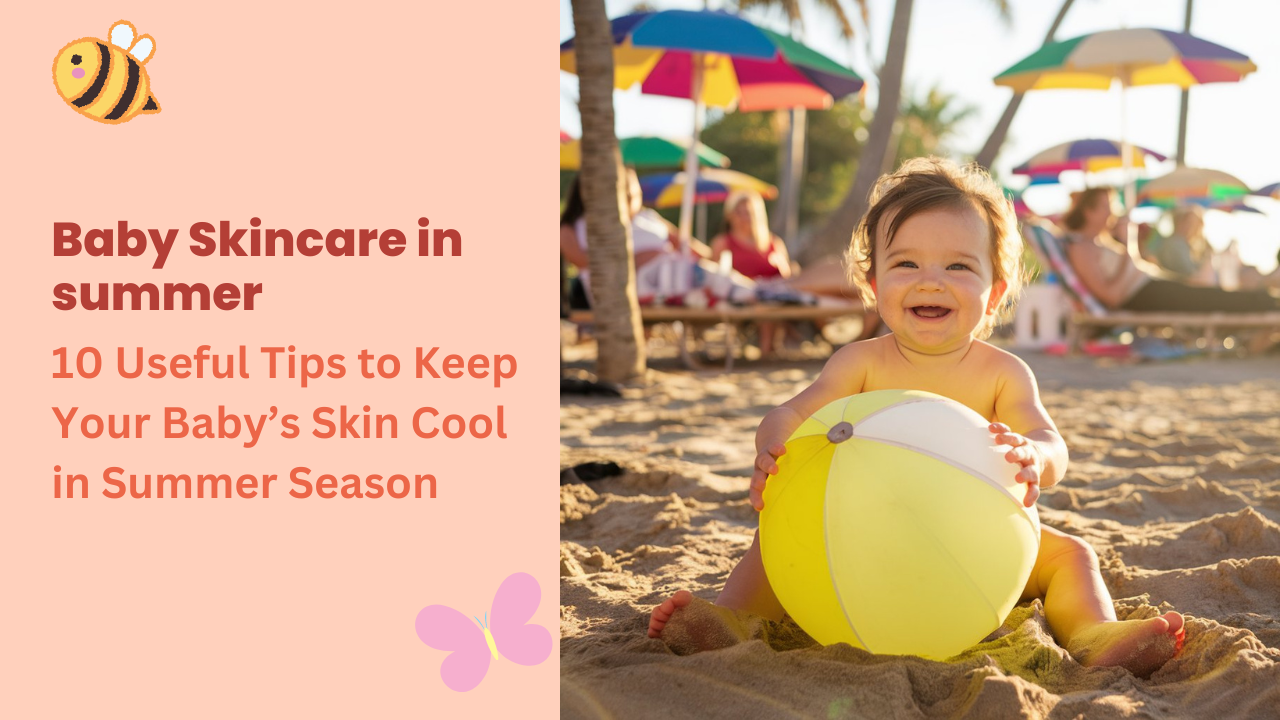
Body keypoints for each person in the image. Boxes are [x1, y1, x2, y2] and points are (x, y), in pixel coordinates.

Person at [647, 157, 1186, 677]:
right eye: (906, 263)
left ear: (995, 291)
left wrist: (1034, 456)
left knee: (1071, 555)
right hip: (858, 530)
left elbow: (1051, 441)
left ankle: (1095, 635)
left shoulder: (1003, 373)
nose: (931, 280)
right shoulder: (859, 362)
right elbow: (789, 413)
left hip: (978, 542)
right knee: (771, 544)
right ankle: (732, 621)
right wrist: (773, 449)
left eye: (958, 265)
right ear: (874, 283)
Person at [1060, 188, 1280, 314]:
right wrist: (1130, 246)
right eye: (1107, 206)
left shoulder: (1103, 241)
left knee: (1211, 296)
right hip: (1140, 295)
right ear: (1088, 211)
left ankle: (1268, 301)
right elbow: (1112, 296)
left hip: (1150, 287)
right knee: (1212, 299)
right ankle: (1269, 303)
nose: (1113, 212)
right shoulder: (1081, 247)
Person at [559, 170, 730, 309]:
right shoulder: (573, 226)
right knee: (709, 281)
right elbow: (582, 261)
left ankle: (741, 291)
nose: (632, 196)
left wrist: (714, 256)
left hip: (677, 274)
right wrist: (640, 259)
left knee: (714, 276)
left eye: (634, 192)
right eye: (627, 192)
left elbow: (685, 244)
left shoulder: (649, 217)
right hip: (627, 290)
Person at [710, 190, 796, 356]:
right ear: (729, 215)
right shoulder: (723, 242)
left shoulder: (774, 242)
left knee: (769, 299)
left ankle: (769, 349)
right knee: (763, 301)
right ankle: (766, 350)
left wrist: (780, 266)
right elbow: (714, 274)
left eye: (748, 213)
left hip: (773, 293)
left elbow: (787, 275)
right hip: (739, 293)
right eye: (738, 212)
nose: (744, 217)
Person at [1154, 206, 1215, 286]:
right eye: (1191, 223)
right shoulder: (1175, 244)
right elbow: (1189, 274)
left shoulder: (1179, 244)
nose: (1193, 228)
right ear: (1181, 222)